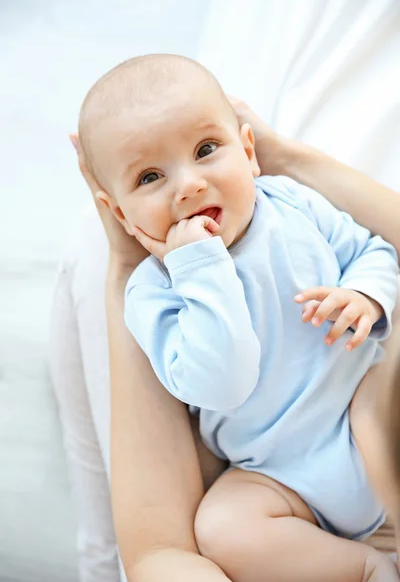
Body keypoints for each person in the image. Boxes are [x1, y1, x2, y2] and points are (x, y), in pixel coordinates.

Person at [74, 52, 399, 582]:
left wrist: (365, 295)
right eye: (150, 176)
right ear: (119, 214)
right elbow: (222, 385)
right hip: (276, 473)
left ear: (248, 151)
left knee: (389, 388)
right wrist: (201, 269)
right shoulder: (154, 292)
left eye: (206, 150)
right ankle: (365, 568)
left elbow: (374, 252)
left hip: (360, 409)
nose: (189, 185)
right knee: (222, 527)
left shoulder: (292, 203)